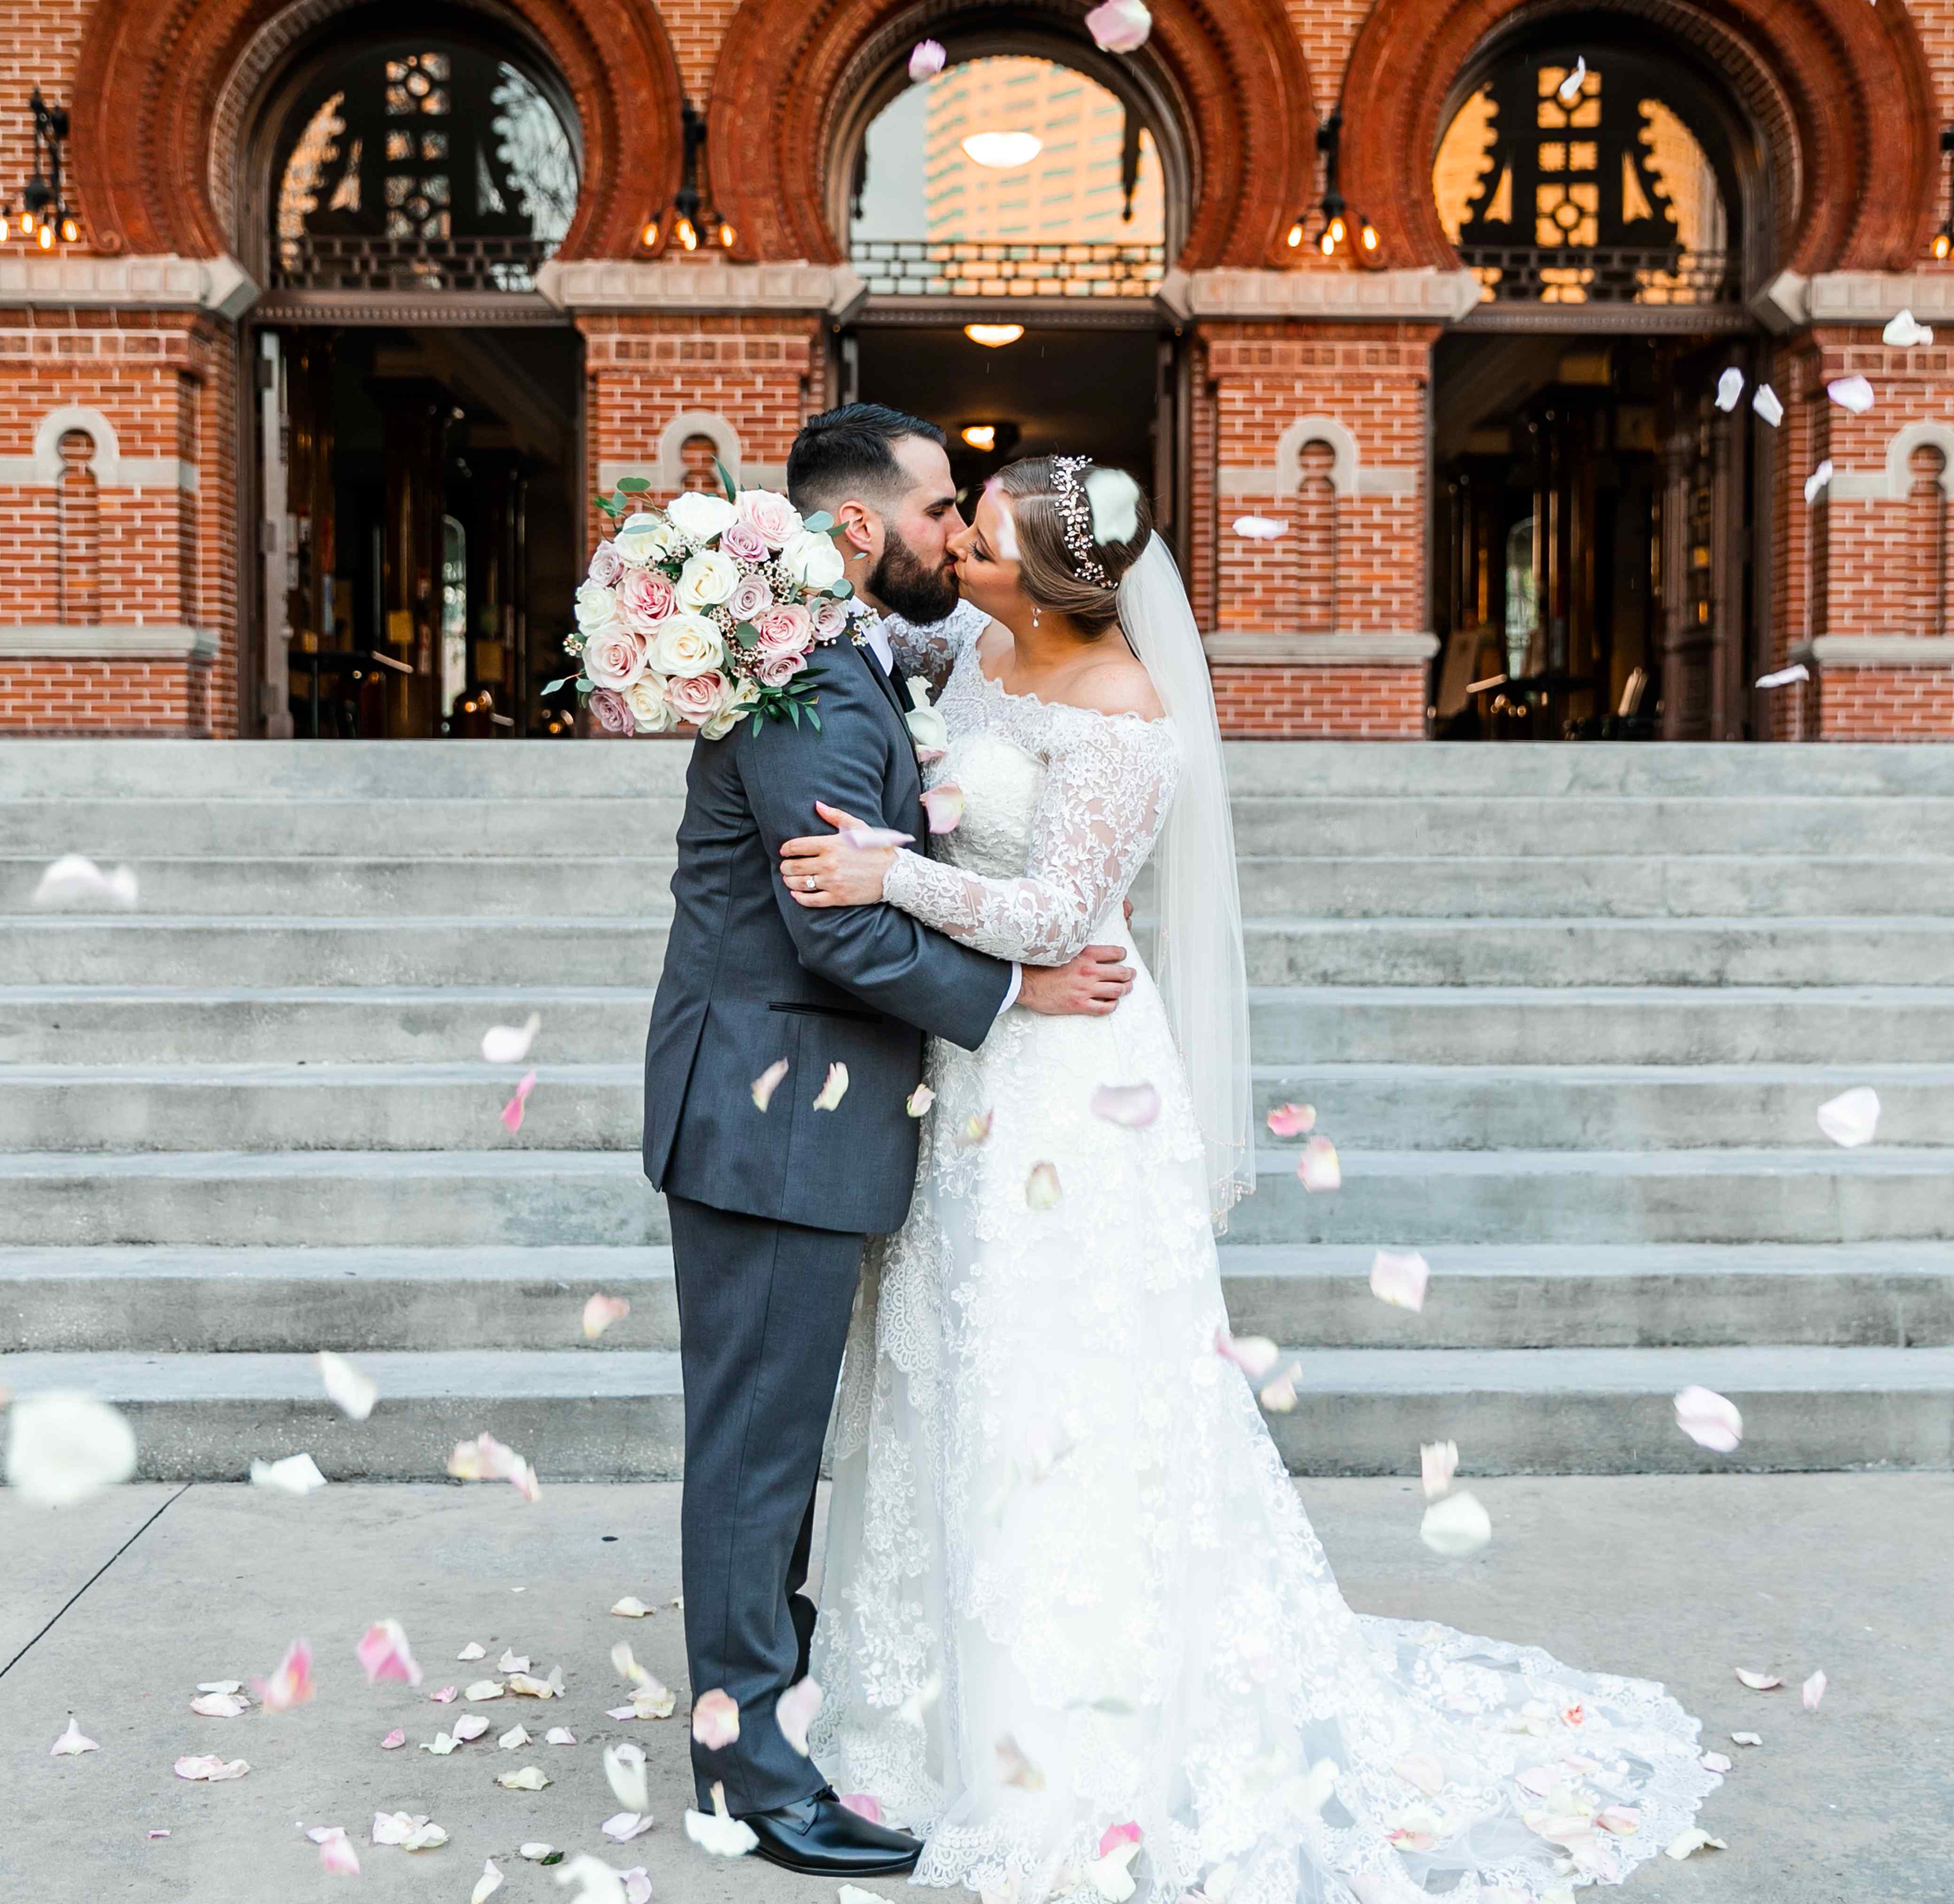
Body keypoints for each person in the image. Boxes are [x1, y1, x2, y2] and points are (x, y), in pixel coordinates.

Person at [774, 449, 1721, 1901]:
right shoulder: (970, 645)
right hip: (968, 1076)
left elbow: (1059, 914)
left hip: (1074, 1088)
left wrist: (887, 873)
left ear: (1053, 582)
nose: (956, 549)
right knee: (952, 1369)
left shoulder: (1129, 717)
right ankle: (918, 1707)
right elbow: (867, 609)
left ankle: (1068, 1739)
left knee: (1061, 1383)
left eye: (984, 542)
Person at [640, 405, 1141, 1877]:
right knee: (756, 1455)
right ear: (859, 529)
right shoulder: (805, 677)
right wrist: (1018, 989)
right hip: (769, 1112)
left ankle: (770, 1699)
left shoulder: (849, 646)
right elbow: (832, 916)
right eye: (938, 512)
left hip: (801, 1109)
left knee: (774, 1445)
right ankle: (751, 1772)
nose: (954, 537)